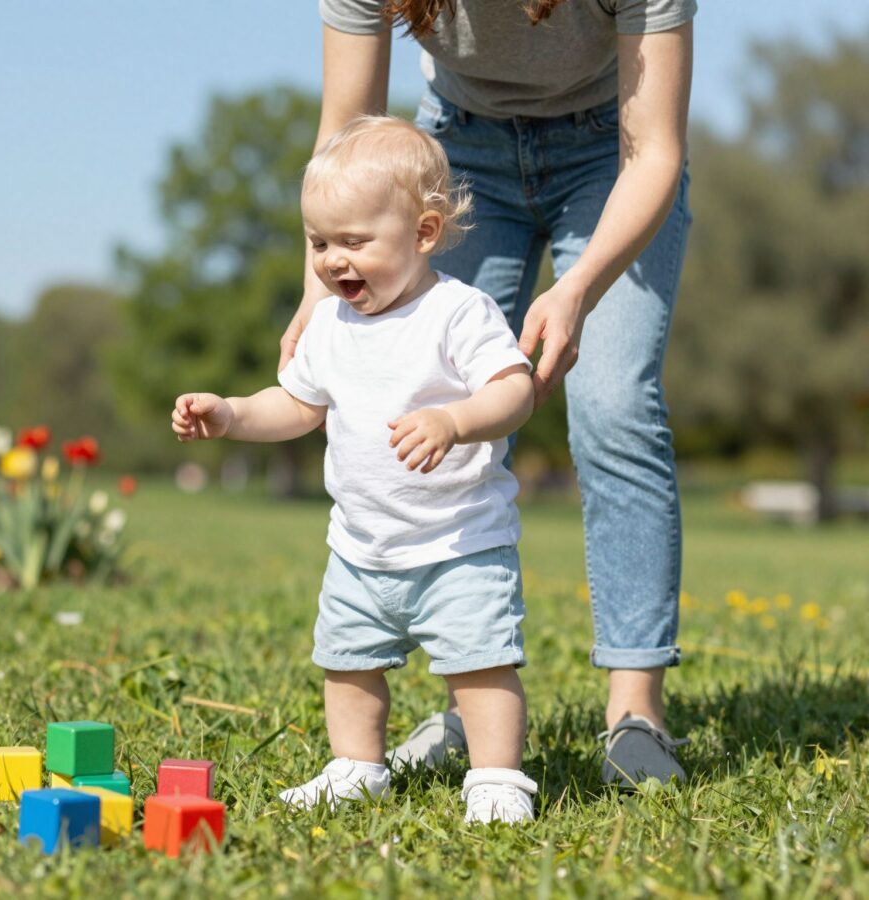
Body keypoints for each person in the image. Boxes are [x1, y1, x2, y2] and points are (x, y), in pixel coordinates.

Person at [280, 0, 696, 787]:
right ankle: (467, 704)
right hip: (455, 151)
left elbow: (655, 151)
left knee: (614, 405)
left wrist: (576, 289)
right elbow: (344, 133)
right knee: (434, 398)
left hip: (614, 150)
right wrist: (317, 293)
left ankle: (636, 712)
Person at [173, 116, 540, 824]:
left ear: (424, 233)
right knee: (347, 662)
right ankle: (356, 767)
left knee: (480, 666)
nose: (335, 261)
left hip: (458, 543)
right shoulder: (332, 327)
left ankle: (496, 779)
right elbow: (298, 403)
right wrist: (231, 413)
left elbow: (514, 388)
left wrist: (455, 420)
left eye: (355, 242)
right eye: (319, 243)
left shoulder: (458, 313)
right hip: (361, 546)